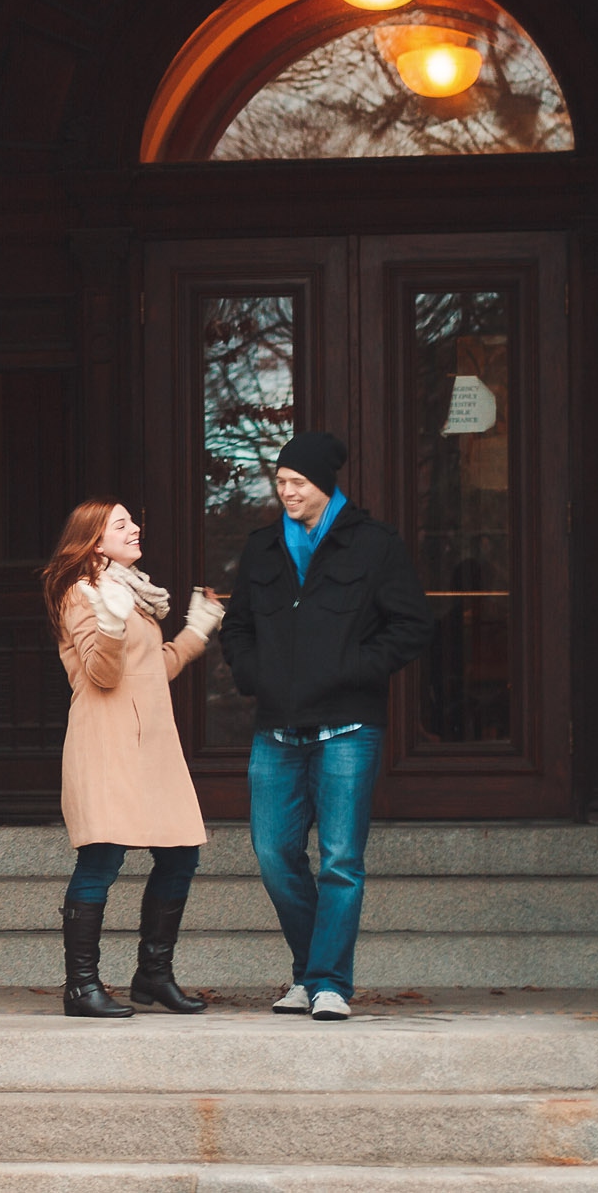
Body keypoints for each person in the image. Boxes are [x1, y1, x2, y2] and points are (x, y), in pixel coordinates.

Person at [219, 432, 433, 1022]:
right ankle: (314, 973)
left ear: (324, 486)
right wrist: (253, 673)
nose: (286, 491)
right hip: (276, 730)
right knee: (273, 852)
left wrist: (354, 669)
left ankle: (327, 982)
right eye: (281, 481)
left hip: (348, 728)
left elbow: (412, 626)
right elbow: (236, 627)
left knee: (340, 860)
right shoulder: (263, 548)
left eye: (298, 483)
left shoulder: (374, 545)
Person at [41, 499, 226, 1018]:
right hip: (107, 741)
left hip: (153, 745)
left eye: (131, 520)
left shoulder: (131, 594)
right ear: (95, 542)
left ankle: (152, 975)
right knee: (101, 858)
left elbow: (153, 668)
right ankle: (81, 986)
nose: (134, 528)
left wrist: (198, 627)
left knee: (180, 853)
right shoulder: (83, 594)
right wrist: (112, 626)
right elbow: (102, 675)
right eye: (120, 524)